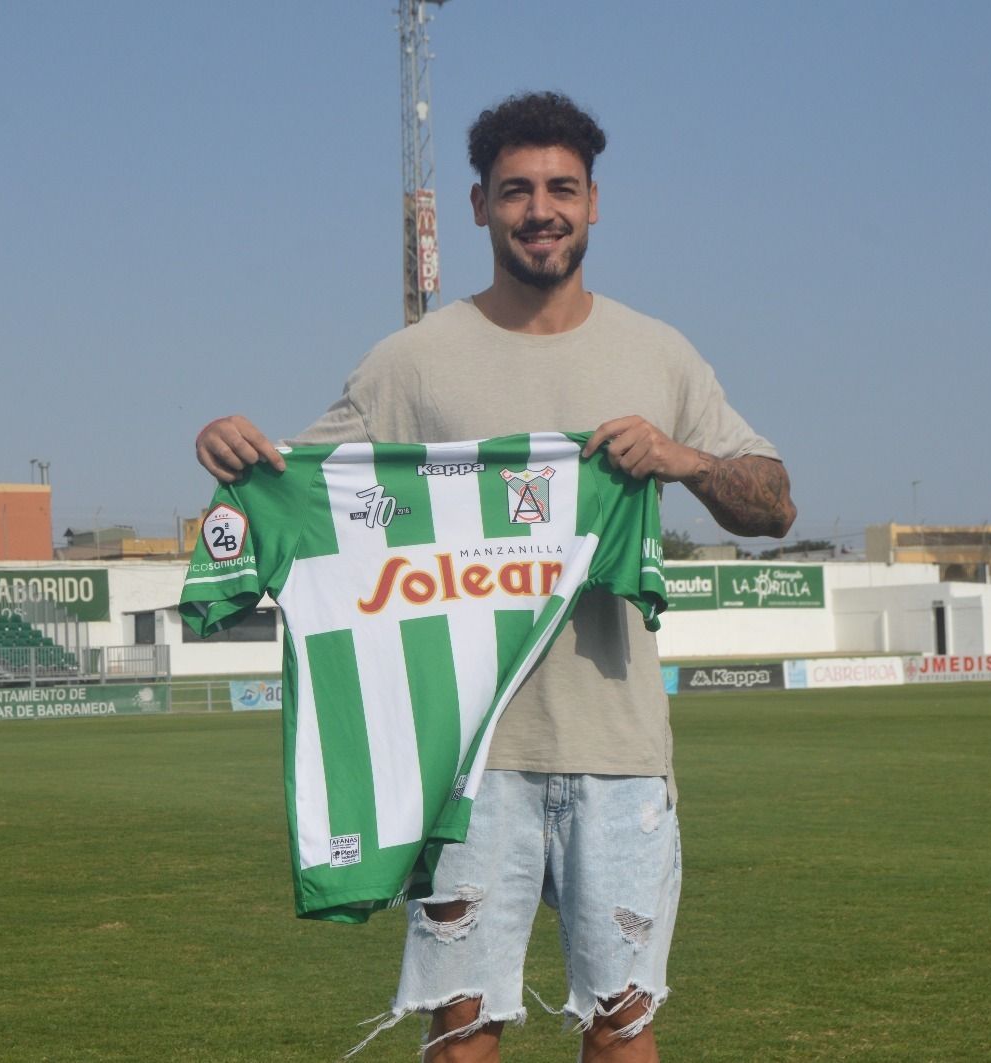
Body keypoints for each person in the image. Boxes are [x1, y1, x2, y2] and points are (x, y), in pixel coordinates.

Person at [195, 91, 795, 1063]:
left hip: (621, 749)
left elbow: (772, 503)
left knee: (623, 1028)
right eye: (515, 190)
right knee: (465, 1031)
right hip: (467, 759)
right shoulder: (413, 362)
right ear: (477, 206)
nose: (539, 208)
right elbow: (304, 490)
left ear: (595, 202)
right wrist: (224, 444)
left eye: (561, 187)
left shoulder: (658, 352)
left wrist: (680, 458)